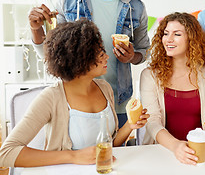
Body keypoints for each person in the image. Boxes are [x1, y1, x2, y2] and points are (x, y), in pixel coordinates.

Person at [28, 0, 150, 127]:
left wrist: (132, 56)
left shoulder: (136, 8)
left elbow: (145, 51)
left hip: (118, 104)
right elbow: (50, 55)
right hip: (74, 102)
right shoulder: (69, 0)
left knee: (118, 155)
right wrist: (36, 30)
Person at [0, 20, 149, 168]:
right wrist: (74, 156)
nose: (107, 57)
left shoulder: (104, 88)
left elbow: (107, 145)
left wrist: (130, 125)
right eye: (99, 53)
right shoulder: (51, 97)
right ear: (78, 58)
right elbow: (6, 154)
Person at [140, 13, 205, 165]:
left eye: (177, 34)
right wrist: (176, 146)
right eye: (166, 33)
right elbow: (152, 122)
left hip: (199, 154)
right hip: (161, 153)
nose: (169, 39)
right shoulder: (149, 76)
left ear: (192, 39)